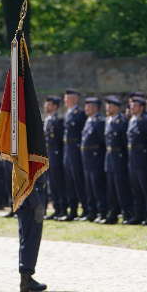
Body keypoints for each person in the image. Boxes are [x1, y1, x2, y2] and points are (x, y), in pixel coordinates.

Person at [102, 95, 133, 225]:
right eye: (107, 105)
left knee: (122, 189)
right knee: (111, 189)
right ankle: (113, 214)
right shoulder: (108, 121)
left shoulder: (122, 121)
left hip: (119, 158)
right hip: (109, 158)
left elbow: (125, 144)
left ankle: (127, 214)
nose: (107, 108)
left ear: (116, 107)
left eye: (110, 105)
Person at [16, 178, 49, 292]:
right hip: (31, 199)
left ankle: (26, 277)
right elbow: (26, 175)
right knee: (30, 239)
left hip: (30, 197)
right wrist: (36, 202)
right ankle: (26, 279)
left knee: (29, 239)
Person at [127, 96, 147, 225]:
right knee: (136, 188)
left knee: (146, 188)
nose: (132, 108)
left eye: (135, 105)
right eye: (131, 105)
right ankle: (138, 214)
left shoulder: (146, 121)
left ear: (141, 107)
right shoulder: (132, 120)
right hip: (133, 157)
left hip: (143, 158)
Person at [62, 89, 87, 221]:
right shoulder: (68, 114)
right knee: (69, 182)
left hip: (76, 151)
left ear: (75, 99)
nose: (66, 101)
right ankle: (72, 210)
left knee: (78, 181)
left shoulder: (80, 114)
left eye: (68, 98)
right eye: (66, 98)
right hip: (67, 150)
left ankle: (85, 209)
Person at [80, 97, 107, 222]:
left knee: (98, 187)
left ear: (95, 107)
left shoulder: (100, 121)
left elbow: (103, 142)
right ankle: (92, 212)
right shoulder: (89, 120)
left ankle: (102, 212)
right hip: (87, 158)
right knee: (89, 187)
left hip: (96, 158)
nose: (86, 109)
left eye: (89, 106)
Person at [44, 96, 66, 220]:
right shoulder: (47, 120)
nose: (46, 106)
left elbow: (59, 142)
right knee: (51, 185)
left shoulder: (58, 121)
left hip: (56, 156)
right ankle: (56, 209)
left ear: (55, 106)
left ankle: (62, 209)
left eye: (49, 104)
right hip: (48, 156)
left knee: (58, 184)